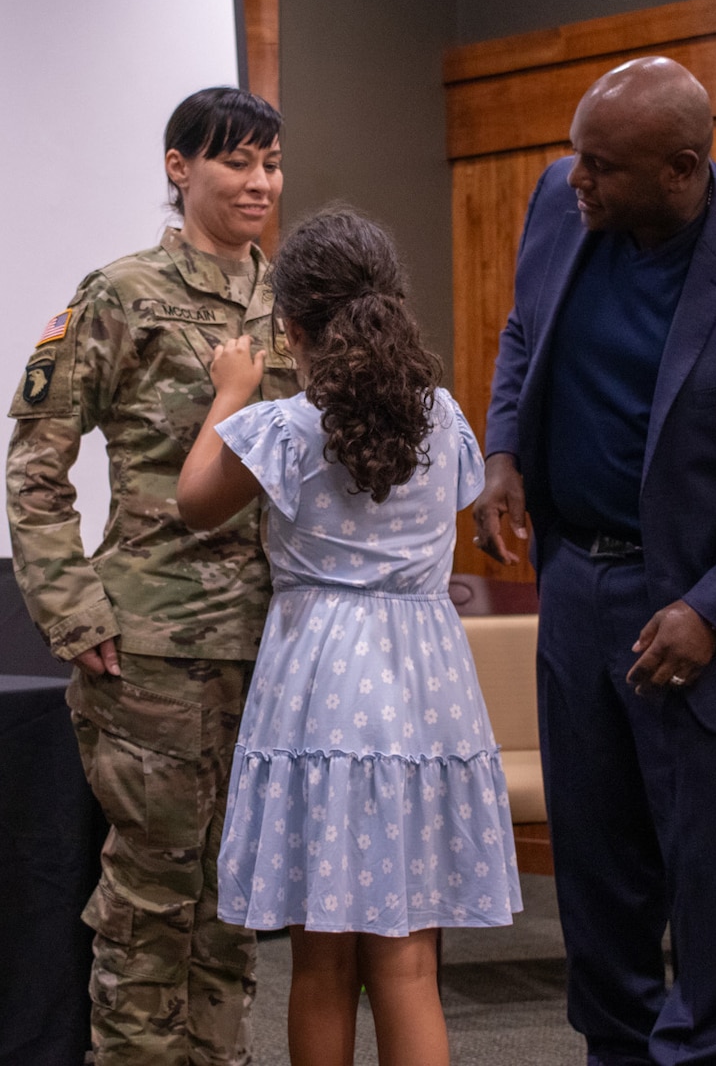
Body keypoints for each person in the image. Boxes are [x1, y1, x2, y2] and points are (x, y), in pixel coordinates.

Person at [472, 56, 716, 1065]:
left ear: (681, 167)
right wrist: (504, 450)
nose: (576, 181)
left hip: (697, 606)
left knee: (701, 867)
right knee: (594, 862)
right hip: (576, 585)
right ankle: (614, 1047)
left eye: (600, 167)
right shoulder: (563, 209)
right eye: (575, 157)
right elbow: (522, 331)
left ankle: (697, 1056)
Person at [177, 207, 523, 1066]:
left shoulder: (287, 426)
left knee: (322, 963)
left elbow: (194, 503)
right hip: (424, 685)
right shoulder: (442, 417)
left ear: (290, 325)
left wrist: (229, 393)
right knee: (408, 965)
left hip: (321, 685)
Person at [5, 87, 298, 1065]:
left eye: (270, 163)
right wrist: (69, 606)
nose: (259, 182)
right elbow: (35, 463)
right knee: (150, 904)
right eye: (235, 163)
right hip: (153, 652)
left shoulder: (288, 303)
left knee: (233, 903)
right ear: (179, 168)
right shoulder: (118, 293)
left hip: (271, 651)